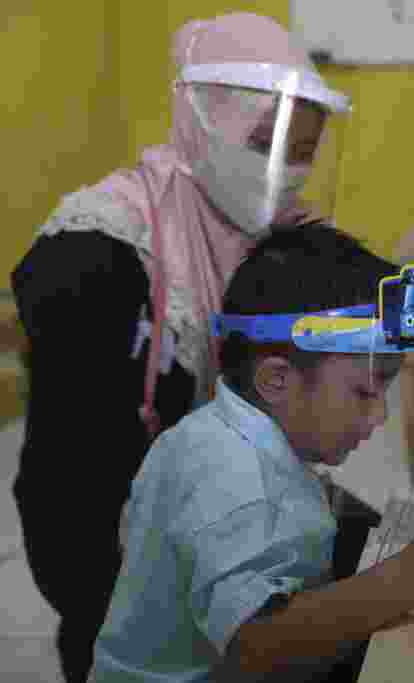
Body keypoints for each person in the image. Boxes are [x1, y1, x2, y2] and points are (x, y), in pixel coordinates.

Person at [10, 13, 350, 681]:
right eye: (265, 141)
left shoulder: (259, 240)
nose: (288, 172)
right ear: (206, 121)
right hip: (126, 595)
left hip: (222, 574)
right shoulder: (98, 251)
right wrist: (135, 622)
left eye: (304, 150)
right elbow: (64, 487)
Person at [89, 224, 414, 682]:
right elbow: (257, 644)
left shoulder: (210, 433)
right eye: (364, 392)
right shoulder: (237, 479)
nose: (379, 417)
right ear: (276, 380)